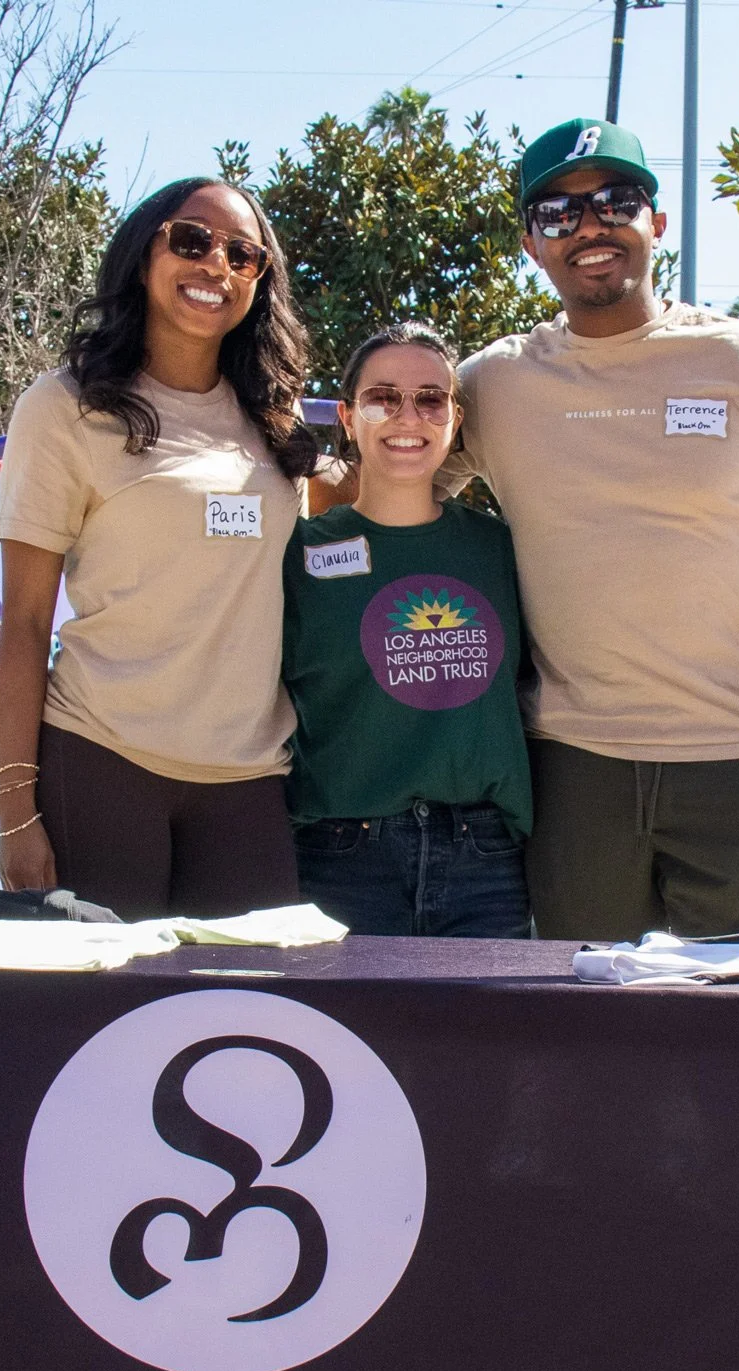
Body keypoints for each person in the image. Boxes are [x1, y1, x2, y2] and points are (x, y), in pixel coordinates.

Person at [443, 118, 739, 941]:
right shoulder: (493, 384)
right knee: (596, 1036)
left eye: (614, 201)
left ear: (656, 223)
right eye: (558, 214)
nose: (590, 227)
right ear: (532, 245)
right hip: (571, 772)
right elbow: (387, 496)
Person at [0, 178, 318, 920]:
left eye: (244, 255)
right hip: (101, 760)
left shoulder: (275, 415)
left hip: (250, 776)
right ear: (144, 256)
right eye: (192, 241)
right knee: (100, 1022)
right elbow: (24, 624)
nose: (217, 267)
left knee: (248, 1015)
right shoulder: (63, 408)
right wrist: (16, 808)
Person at [283, 323, 531, 937]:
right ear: (346, 415)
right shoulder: (297, 553)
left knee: (479, 1039)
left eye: (429, 398)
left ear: (454, 417)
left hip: (487, 861)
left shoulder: (502, 548)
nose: (407, 416)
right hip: (343, 858)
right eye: (382, 397)